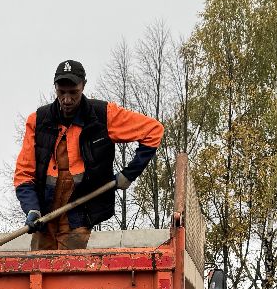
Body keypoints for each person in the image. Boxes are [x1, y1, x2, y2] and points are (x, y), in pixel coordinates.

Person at [13, 59, 165, 250]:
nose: (67, 99)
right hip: (44, 216)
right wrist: (32, 209)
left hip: (79, 214)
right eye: (62, 92)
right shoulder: (38, 121)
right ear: (55, 88)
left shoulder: (103, 116)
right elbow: (23, 174)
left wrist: (129, 174)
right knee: (39, 269)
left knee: (67, 272)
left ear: (83, 86)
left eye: (73, 92)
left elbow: (153, 130)